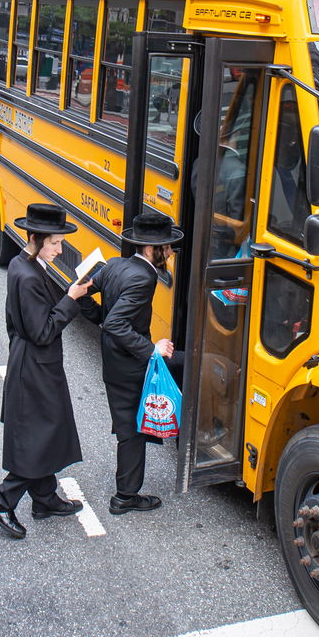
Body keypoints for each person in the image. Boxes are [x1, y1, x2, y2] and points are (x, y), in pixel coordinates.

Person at [0, 204, 90, 539]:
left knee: (43, 432)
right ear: (35, 239)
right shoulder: (28, 276)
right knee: (38, 437)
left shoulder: (21, 263)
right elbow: (43, 331)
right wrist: (70, 299)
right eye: (55, 243)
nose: (60, 249)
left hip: (30, 360)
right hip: (35, 367)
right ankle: (2, 499)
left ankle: (44, 498)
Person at [80, 211, 182, 515]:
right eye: (167, 247)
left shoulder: (113, 265)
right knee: (133, 432)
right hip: (129, 366)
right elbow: (117, 324)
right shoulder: (145, 277)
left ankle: (125, 491)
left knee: (128, 428)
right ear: (152, 250)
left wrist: (97, 316)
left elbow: (83, 293)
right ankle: (125, 496)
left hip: (113, 364)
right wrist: (152, 348)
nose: (171, 252)